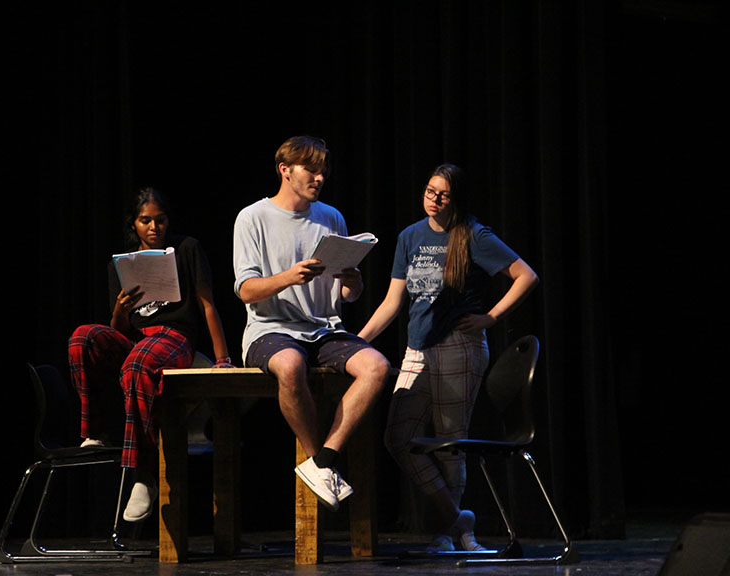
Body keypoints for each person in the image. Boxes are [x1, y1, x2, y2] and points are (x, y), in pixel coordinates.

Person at [357, 164, 539, 552]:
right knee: (398, 438)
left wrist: (491, 316)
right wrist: (357, 342)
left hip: (460, 346)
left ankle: (450, 535)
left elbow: (526, 275)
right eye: (429, 191)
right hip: (417, 348)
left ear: (456, 199)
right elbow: (393, 302)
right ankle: (458, 521)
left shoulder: (473, 235)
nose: (433, 199)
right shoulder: (410, 236)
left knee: (450, 442)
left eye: (442, 194)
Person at [232, 135, 390, 512]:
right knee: (290, 364)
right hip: (270, 329)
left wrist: (354, 284)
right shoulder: (253, 217)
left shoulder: (331, 217)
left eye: (323, 172)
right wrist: (289, 277)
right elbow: (247, 290)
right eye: (311, 169)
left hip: (322, 327)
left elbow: (344, 296)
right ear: (285, 170)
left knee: (377, 366)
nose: (319, 178)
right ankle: (316, 455)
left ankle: (323, 463)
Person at [68, 187, 233, 523]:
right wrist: (119, 308)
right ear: (135, 224)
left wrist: (222, 359)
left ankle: (144, 475)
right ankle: (95, 431)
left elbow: (206, 304)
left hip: (175, 337)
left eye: (160, 220)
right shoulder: (123, 263)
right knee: (82, 338)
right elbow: (118, 328)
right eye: (146, 221)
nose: (154, 227)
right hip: (136, 338)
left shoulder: (186, 249)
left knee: (139, 362)